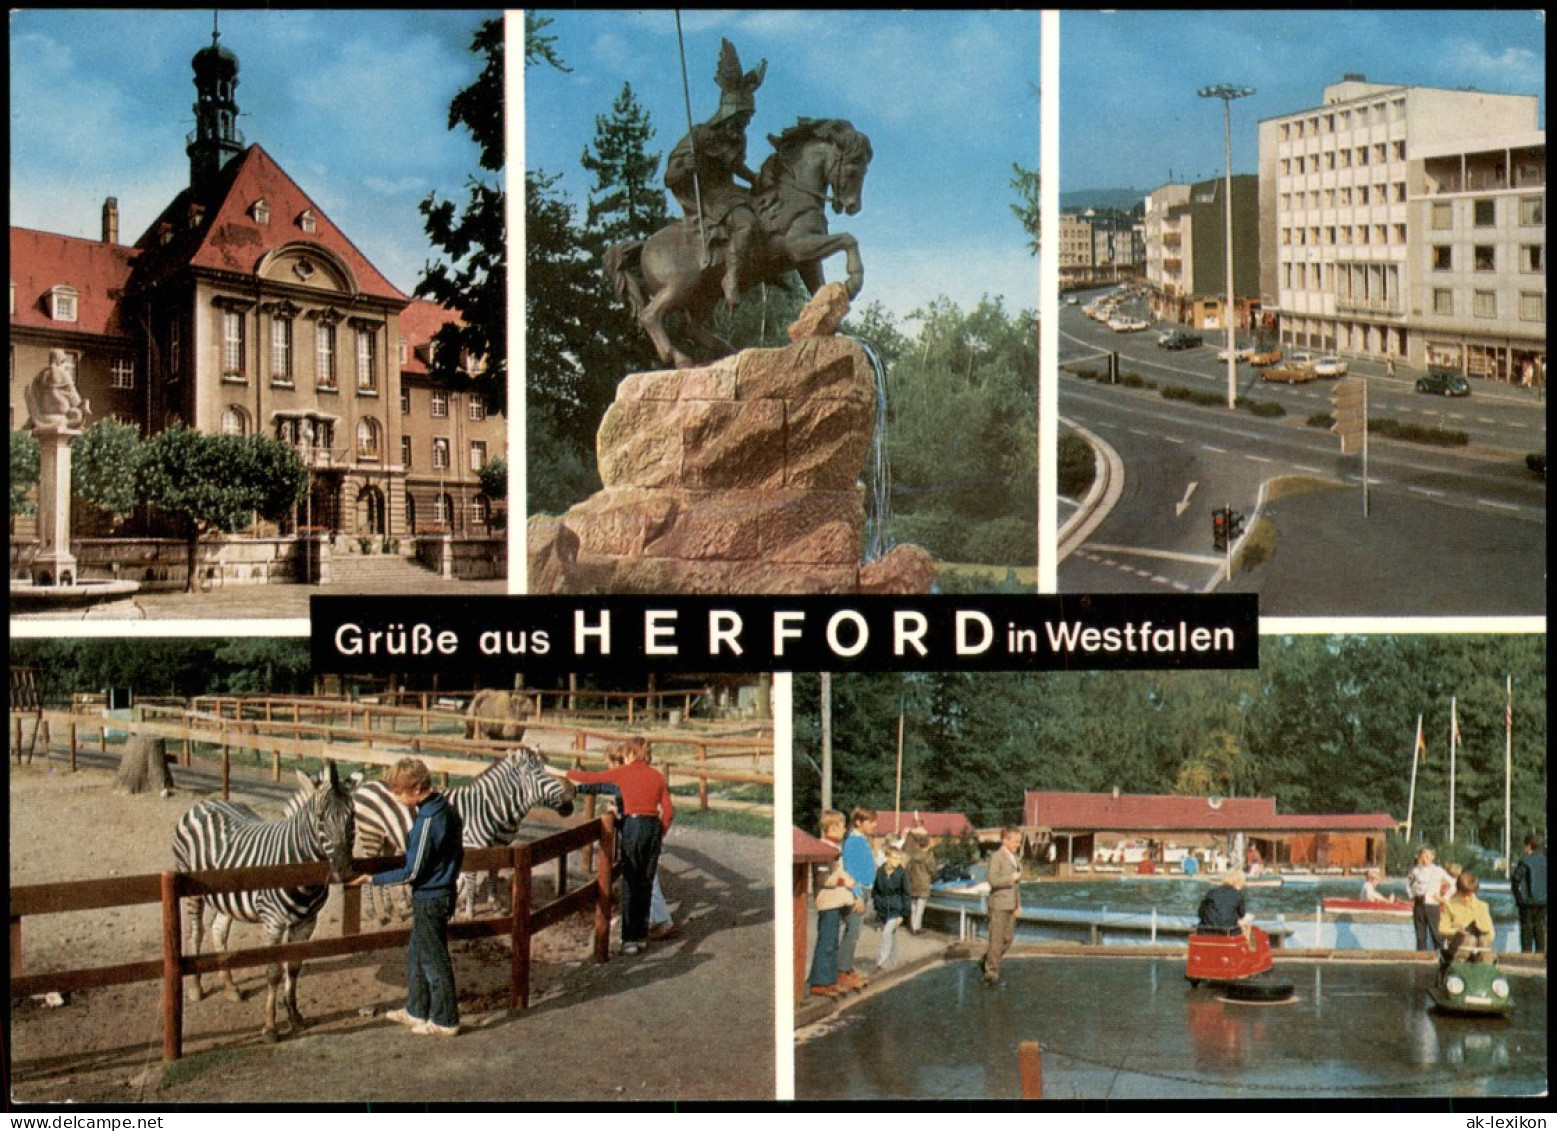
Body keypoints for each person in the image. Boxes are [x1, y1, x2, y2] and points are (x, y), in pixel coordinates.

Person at [349, 758, 464, 1036]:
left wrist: (373, 879)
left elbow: (412, 870)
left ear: (414, 789)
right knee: (417, 952)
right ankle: (416, 1008)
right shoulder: (446, 810)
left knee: (433, 959)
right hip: (440, 892)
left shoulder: (427, 821)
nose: (396, 797)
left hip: (430, 897)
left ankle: (446, 1020)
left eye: (398, 792)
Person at [664, 39, 766, 307]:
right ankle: (730, 278)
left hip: (731, 193)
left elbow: (736, 166)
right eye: (742, 118)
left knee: (769, 213)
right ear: (729, 114)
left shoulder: (737, 139)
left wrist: (757, 180)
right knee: (746, 222)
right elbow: (669, 176)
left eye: (748, 119)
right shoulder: (701, 135)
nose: (746, 124)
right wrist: (688, 166)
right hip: (709, 197)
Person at [565, 736, 673, 956]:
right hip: (653, 826)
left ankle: (629, 940)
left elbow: (592, 778)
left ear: (632, 754)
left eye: (626, 753)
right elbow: (669, 812)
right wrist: (658, 832)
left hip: (633, 824)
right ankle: (641, 935)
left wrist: (568, 774)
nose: (624, 757)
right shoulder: (657, 777)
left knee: (631, 883)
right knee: (646, 881)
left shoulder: (624, 772)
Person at [806, 810, 851, 998]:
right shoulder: (823, 850)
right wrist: (843, 882)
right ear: (832, 827)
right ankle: (819, 981)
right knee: (826, 942)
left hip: (836, 902)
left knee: (832, 942)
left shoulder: (834, 848)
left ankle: (829, 979)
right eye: (842, 826)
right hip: (827, 902)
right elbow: (822, 879)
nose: (845, 830)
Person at [836, 806, 878, 989]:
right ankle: (842, 972)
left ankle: (847, 968)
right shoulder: (853, 841)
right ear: (858, 822)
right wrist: (858, 896)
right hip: (857, 891)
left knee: (856, 931)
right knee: (852, 931)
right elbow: (850, 870)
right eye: (871, 821)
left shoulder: (862, 840)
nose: (874, 825)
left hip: (864, 889)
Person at [981, 827, 1023, 985]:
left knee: (1008, 939)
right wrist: (1011, 877)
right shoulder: (996, 857)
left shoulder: (1015, 858)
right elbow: (993, 880)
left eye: (1019, 841)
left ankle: (987, 960)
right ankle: (991, 972)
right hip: (998, 904)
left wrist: (1018, 905)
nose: (1018, 844)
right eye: (1016, 841)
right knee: (996, 940)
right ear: (1005, 840)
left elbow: (1017, 886)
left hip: (1011, 905)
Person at [1438, 871, 1496, 968]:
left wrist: (1480, 926)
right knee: (1470, 939)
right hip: (1457, 945)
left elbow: (1491, 933)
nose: (1467, 898)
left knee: (1484, 939)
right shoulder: (1450, 905)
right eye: (1464, 895)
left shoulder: (1482, 906)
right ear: (1458, 892)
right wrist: (1457, 931)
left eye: (1470, 895)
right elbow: (1442, 929)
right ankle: (1456, 967)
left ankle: (1487, 970)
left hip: (1479, 947)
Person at [872, 842, 910, 972]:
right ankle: (896, 961)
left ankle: (881, 962)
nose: (897, 861)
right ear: (887, 857)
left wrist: (902, 914)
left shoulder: (902, 873)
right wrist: (876, 905)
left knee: (886, 933)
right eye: (894, 858)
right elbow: (875, 890)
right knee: (891, 935)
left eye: (899, 858)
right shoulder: (880, 872)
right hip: (883, 908)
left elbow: (906, 894)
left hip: (896, 909)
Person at [1406, 847, 1453, 952]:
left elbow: (1453, 883)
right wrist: (1411, 895)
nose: (1424, 859)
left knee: (1436, 933)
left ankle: (1442, 957)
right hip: (1419, 904)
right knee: (1420, 935)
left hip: (1432, 904)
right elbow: (1408, 884)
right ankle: (1421, 959)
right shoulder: (1415, 870)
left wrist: (1444, 898)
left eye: (1427, 856)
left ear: (1432, 857)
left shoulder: (1438, 871)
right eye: (1422, 857)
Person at [1512, 834, 1547, 953]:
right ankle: (1540, 952)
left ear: (1528, 846)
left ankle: (1526, 953)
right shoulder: (1545, 860)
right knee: (1540, 927)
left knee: (1526, 928)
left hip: (1527, 901)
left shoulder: (1525, 861)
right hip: (1543, 901)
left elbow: (1516, 879)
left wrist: (1517, 897)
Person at [1197, 870, 1253, 941]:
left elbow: (1200, 913)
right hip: (1227, 933)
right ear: (1239, 882)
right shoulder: (1238, 895)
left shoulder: (1211, 892)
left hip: (1205, 931)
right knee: (1246, 924)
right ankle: (1245, 948)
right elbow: (1242, 915)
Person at [905, 825, 936, 935]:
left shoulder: (912, 857)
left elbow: (907, 869)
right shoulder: (928, 857)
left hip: (913, 884)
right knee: (920, 908)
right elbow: (932, 870)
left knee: (913, 907)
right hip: (923, 884)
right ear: (927, 845)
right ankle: (917, 928)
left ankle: (912, 926)